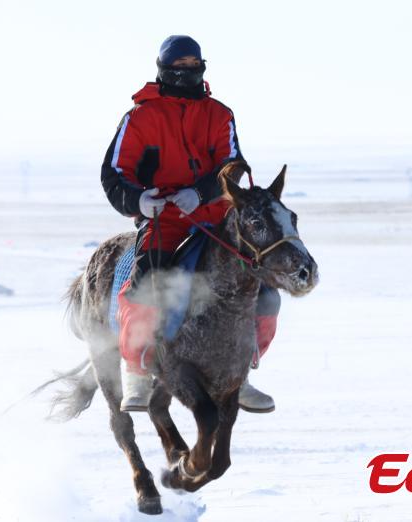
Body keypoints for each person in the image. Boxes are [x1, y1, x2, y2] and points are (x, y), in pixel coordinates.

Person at [101, 35, 281, 413]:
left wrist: (201, 193)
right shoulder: (140, 116)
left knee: (262, 290)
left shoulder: (219, 114)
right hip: (163, 217)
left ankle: (241, 374)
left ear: (201, 66)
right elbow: (115, 173)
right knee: (146, 284)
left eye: (192, 64)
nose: (185, 71)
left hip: (216, 216)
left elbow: (232, 165)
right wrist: (139, 200)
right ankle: (137, 370)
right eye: (178, 66)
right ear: (163, 69)